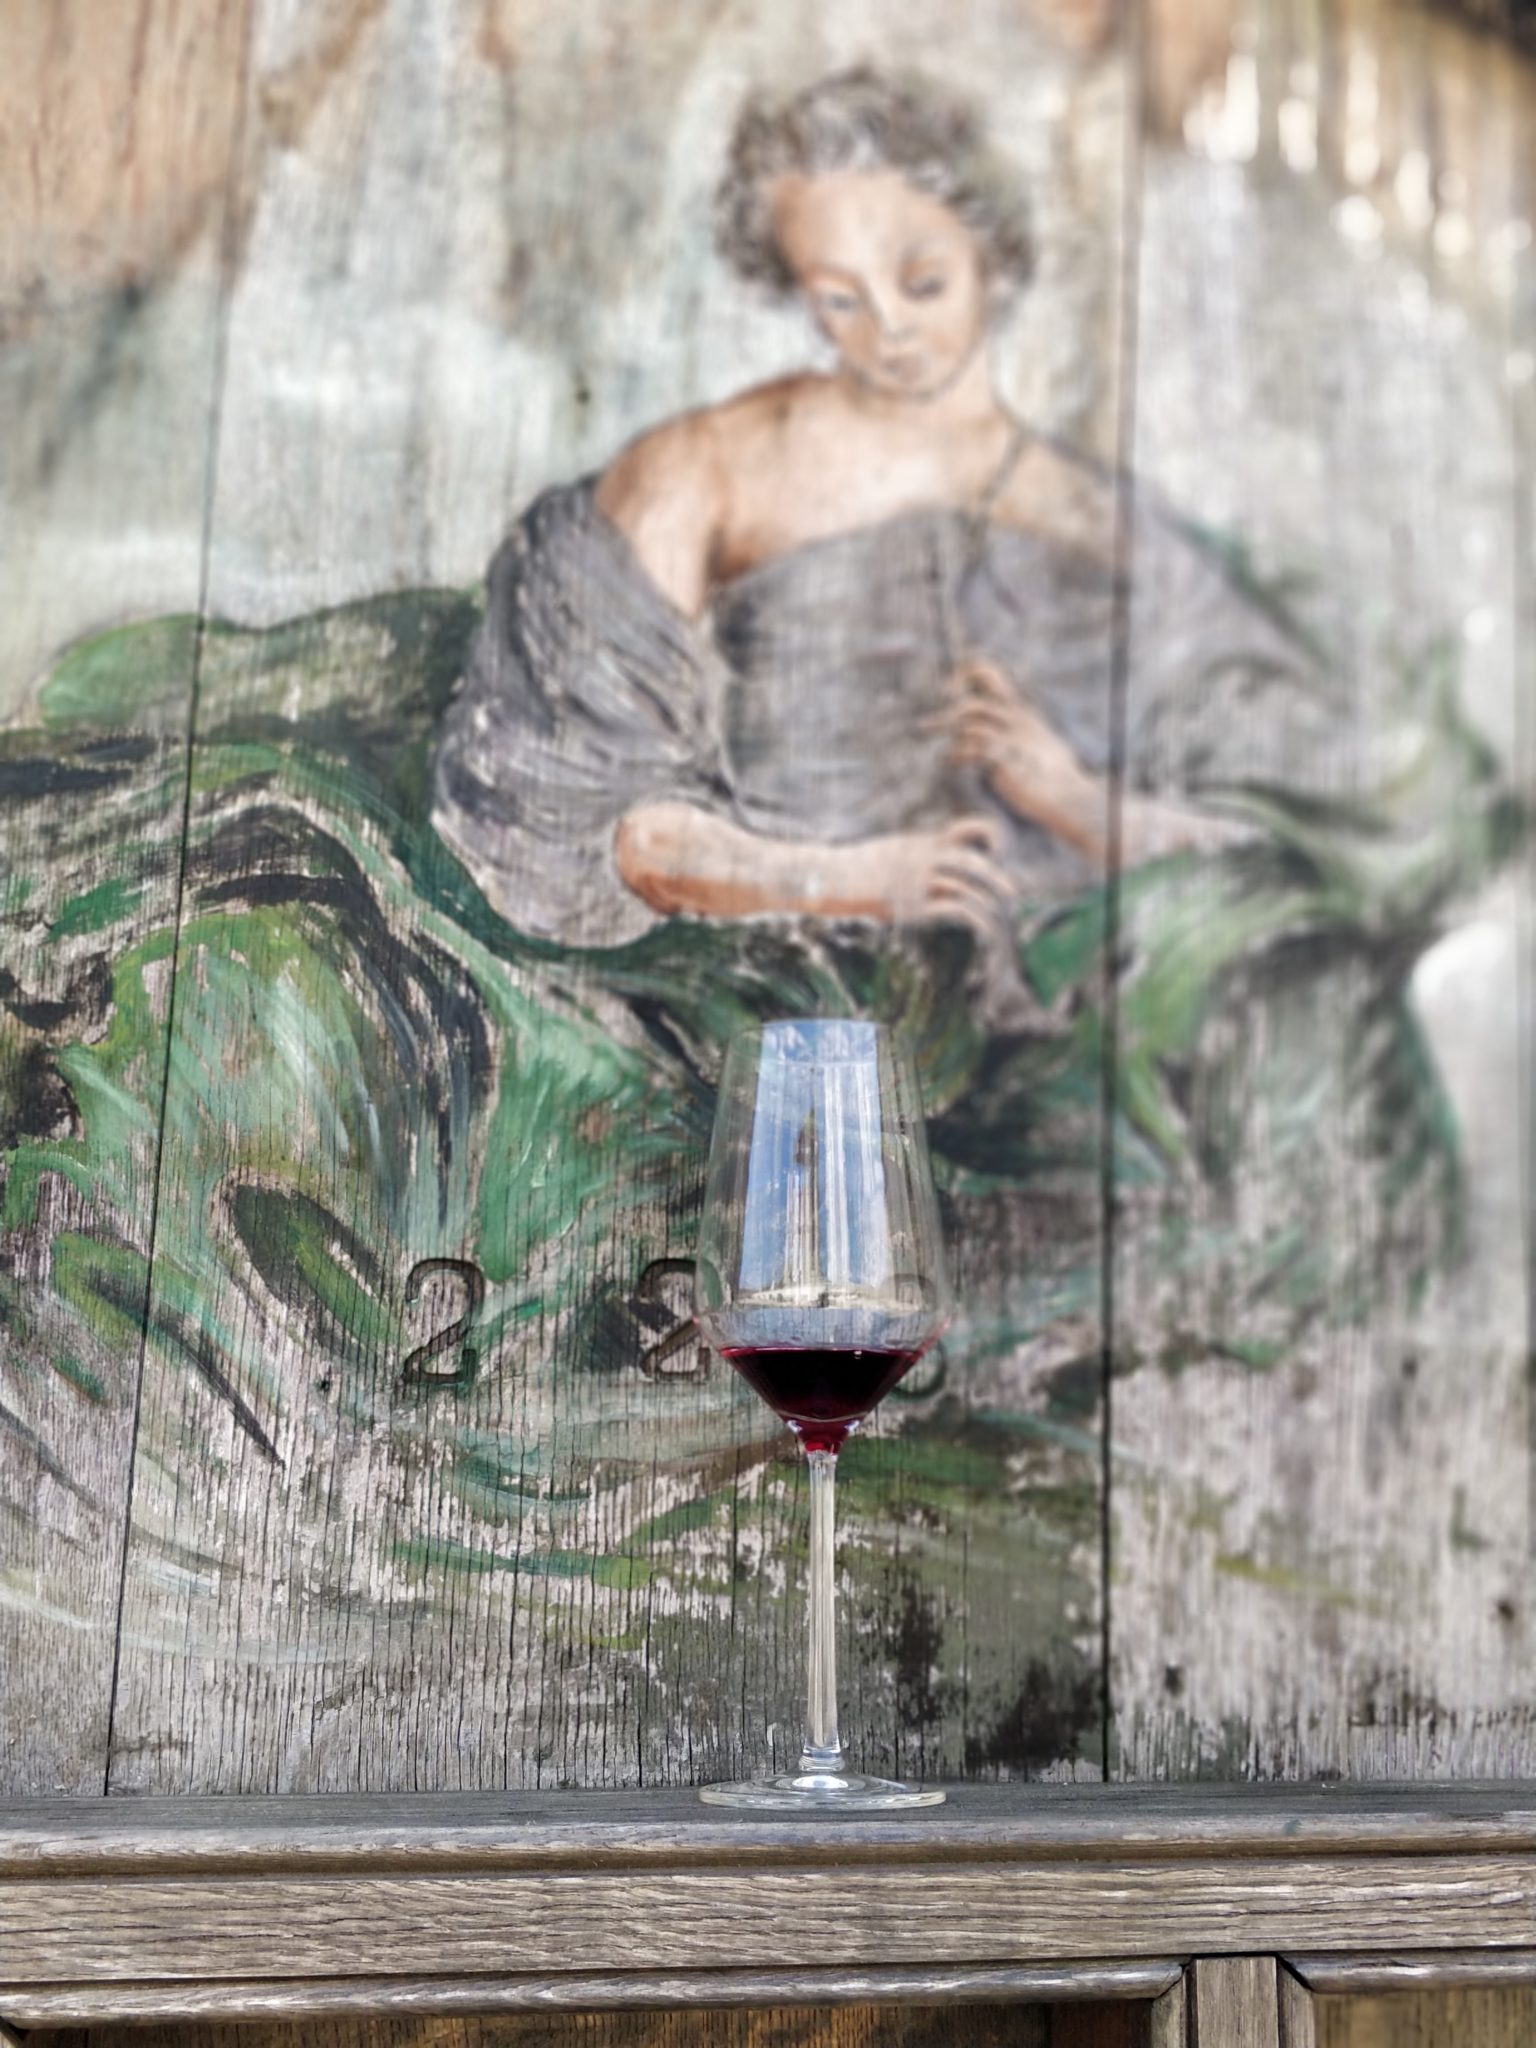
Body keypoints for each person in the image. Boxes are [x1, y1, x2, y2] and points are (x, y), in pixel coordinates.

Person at [431, 66, 1323, 960]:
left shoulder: (1096, 518)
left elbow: (1291, 846)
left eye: (923, 281)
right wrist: (841, 881)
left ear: (990, 256)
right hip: (785, 991)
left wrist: (1077, 803)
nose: (889, 328)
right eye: (839, 299)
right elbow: (585, 818)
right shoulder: (706, 468)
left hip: (1059, 999)